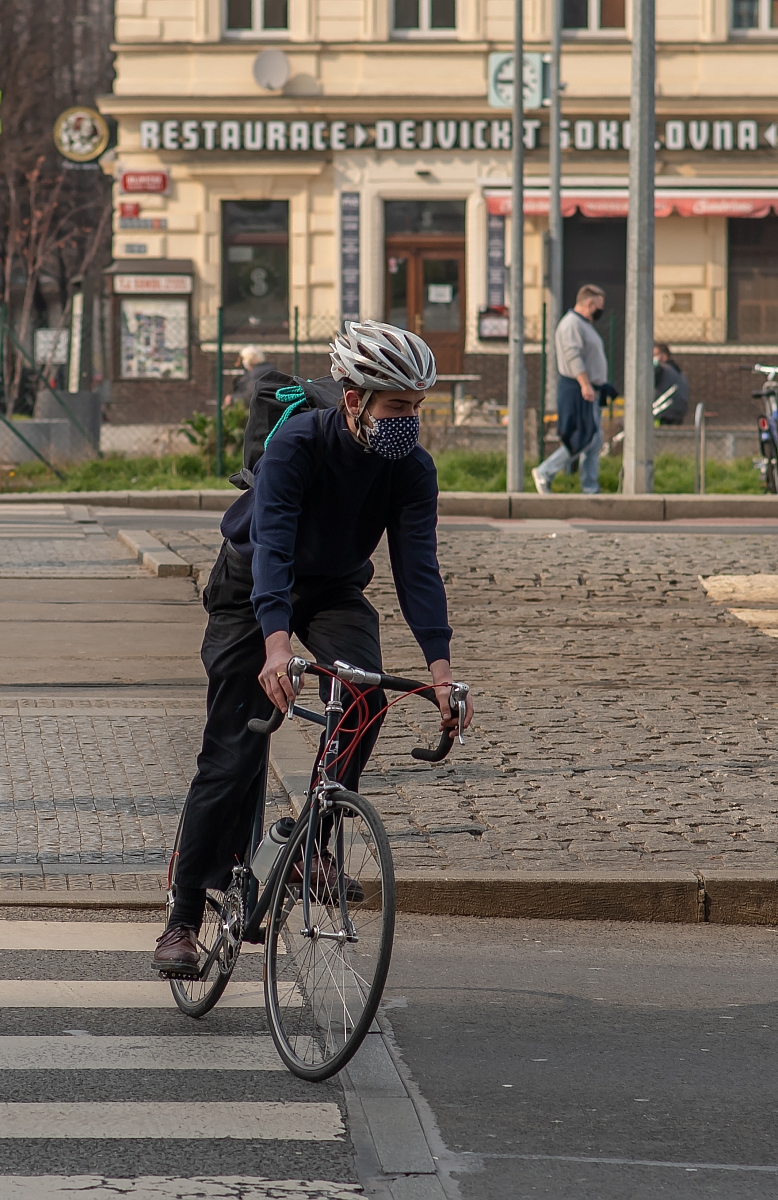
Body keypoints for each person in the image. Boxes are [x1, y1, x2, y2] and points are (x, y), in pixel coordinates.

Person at [152, 321, 470, 977]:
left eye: (416, 409)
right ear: (354, 399)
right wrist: (275, 647)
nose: (409, 422)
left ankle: (311, 845)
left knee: (364, 690)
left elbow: (417, 569)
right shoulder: (299, 443)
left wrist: (441, 672)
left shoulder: (411, 469)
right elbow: (271, 547)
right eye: (397, 409)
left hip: (333, 589)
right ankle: (182, 918)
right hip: (251, 588)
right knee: (236, 749)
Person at [532, 284, 613, 495]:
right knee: (583, 438)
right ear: (589, 304)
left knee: (592, 440)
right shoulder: (571, 325)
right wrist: (586, 384)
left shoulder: (583, 325)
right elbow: (572, 356)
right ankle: (546, 471)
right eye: (599, 306)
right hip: (578, 389)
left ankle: (590, 486)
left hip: (588, 389)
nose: (600, 311)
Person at [654, 342, 691, 426]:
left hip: (663, 413)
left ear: (663, 356)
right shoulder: (678, 372)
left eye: (655, 355)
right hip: (677, 412)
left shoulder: (662, 370)